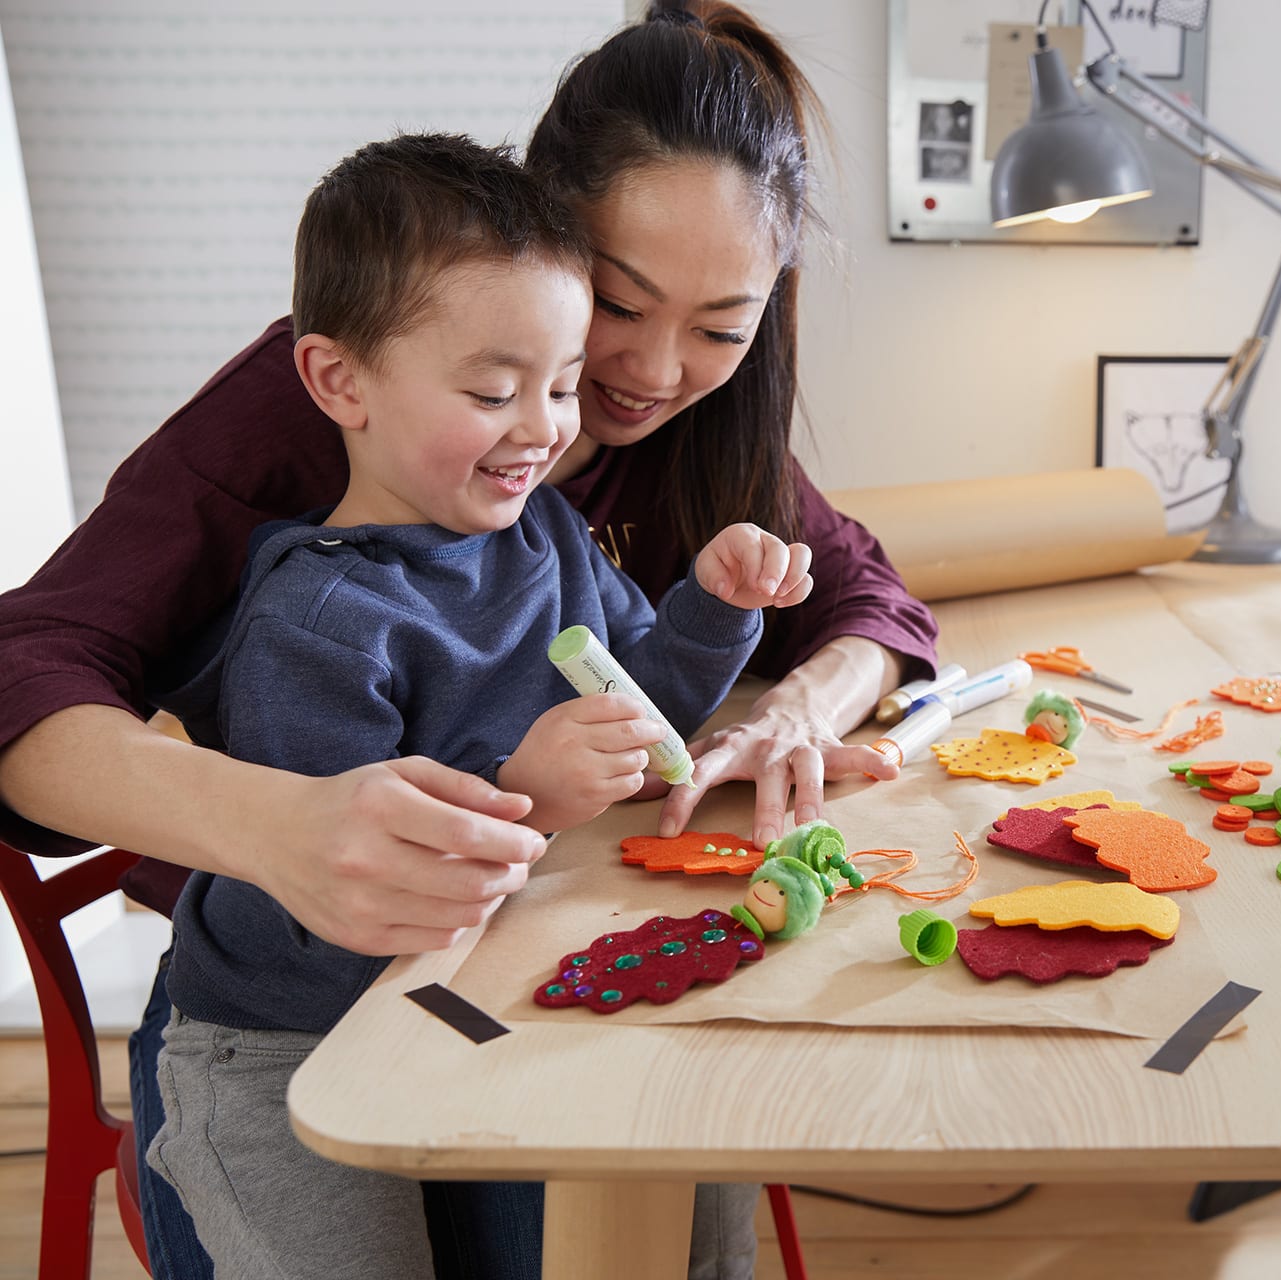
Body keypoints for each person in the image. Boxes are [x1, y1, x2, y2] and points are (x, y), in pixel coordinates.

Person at [0, 4, 937, 1277]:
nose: (652, 375)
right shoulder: (335, 457)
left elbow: (855, 599)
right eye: (616, 302)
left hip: (515, 952)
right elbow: (32, 665)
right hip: (299, 1001)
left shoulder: (560, 502)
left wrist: (790, 702)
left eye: (723, 327)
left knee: (663, 1202)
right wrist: (283, 823)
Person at [145, 131, 809, 1279]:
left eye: (559, 386)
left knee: (689, 1190)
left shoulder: (541, 532)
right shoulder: (321, 622)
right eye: (495, 391)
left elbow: (642, 717)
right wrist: (528, 796)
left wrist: (711, 608)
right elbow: (351, 901)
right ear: (338, 380)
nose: (546, 426)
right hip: (288, 1041)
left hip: (472, 987)